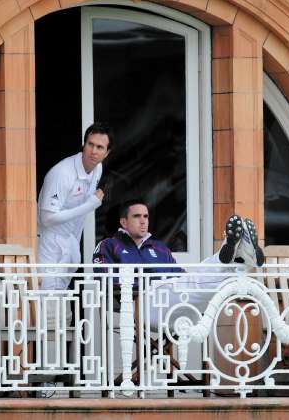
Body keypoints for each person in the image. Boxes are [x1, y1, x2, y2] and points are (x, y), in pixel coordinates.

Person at [93, 199, 264, 327]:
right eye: (137, 216)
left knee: (195, 278)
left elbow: (181, 277)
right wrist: (138, 287)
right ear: (124, 222)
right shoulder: (110, 245)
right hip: (141, 305)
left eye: (146, 216)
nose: (143, 220)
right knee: (198, 282)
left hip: (176, 303)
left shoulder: (159, 248)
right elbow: (104, 280)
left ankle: (233, 256)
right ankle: (235, 257)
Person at [37, 122, 113, 290]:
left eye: (100, 147)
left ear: (106, 153)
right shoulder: (62, 173)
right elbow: (47, 218)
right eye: (90, 144)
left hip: (70, 246)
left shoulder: (97, 169)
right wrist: (90, 205)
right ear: (83, 145)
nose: (93, 151)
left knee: (63, 308)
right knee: (47, 307)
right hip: (48, 248)